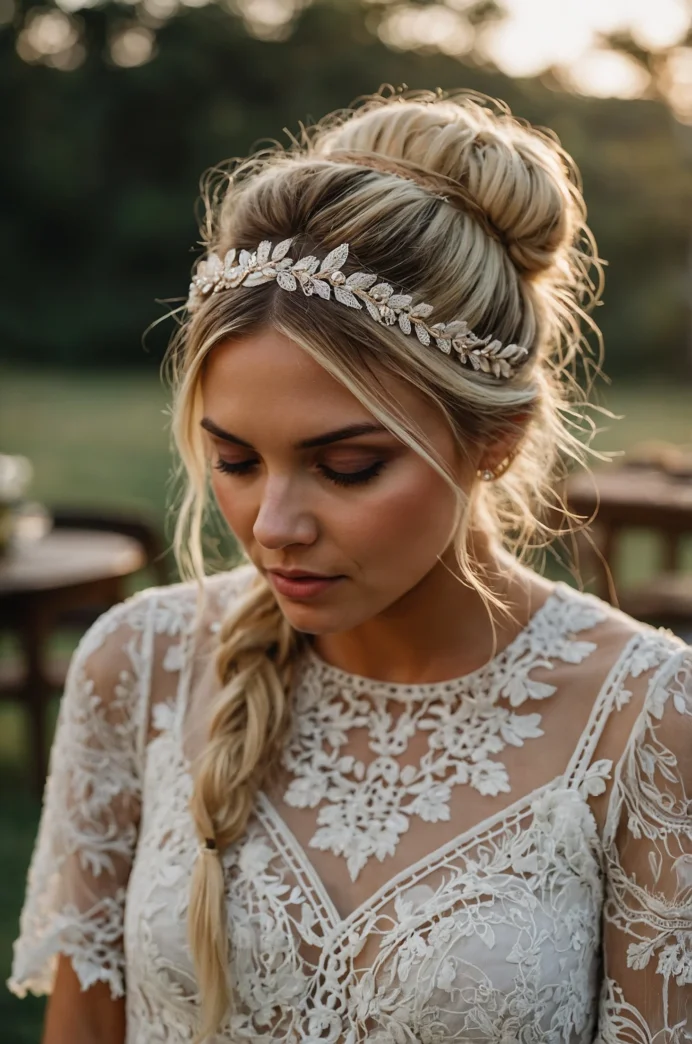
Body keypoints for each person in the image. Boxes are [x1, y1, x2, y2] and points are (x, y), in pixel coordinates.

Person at [9, 89, 692, 1044]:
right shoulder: (139, 664)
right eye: (235, 461)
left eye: (347, 467)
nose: (274, 524)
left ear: (493, 439)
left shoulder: (645, 715)